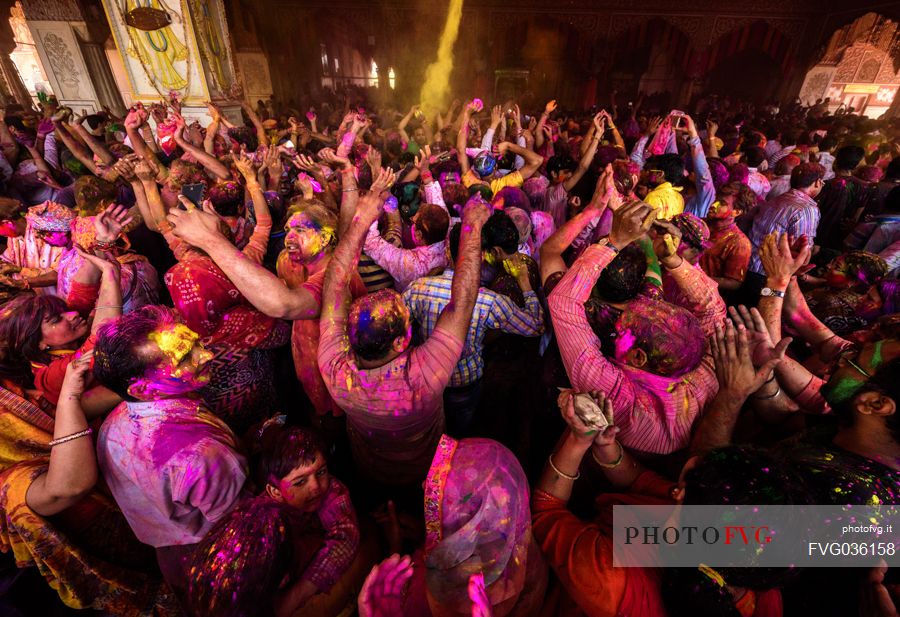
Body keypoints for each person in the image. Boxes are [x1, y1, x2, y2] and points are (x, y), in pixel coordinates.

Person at [315, 171, 487, 486]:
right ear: (399, 342)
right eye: (408, 319)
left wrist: (361, 220)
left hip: (368, 467)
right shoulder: (424, 375)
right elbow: (462, 304)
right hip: (428, 471)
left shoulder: (334, 369)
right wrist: (473, 229)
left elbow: (334, 286)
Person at [93, 306, 248, 599]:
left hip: (169, 555)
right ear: (143, 389)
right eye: (186, 357)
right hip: (215, 557)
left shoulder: (111, 426)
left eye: (197, 344)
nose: (207, 355)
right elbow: (240, 525)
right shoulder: (203, 455)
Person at [548, 200, 726, 454]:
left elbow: (563, 302)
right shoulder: (708, 371)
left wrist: (614, 241)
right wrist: (671, 259)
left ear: (639, 356)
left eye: (623, 329)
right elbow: (712, 307)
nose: (616, 324)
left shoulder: (620, 398)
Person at [403, 223, 543, 437]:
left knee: (430, 434)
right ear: (483, 255)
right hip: (464, 384)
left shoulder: (418, 288)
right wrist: (524, 282)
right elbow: (536, 326)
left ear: (448, 251)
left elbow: (397, 334)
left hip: (426, 382)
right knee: (459, 433)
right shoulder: (489, 301)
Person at [745, 162, 825, 303]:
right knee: (759, 313)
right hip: (768, 275)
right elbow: (803, 254)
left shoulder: (775, 200)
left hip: (748, 265)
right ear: (817, 182)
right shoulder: (806, 209)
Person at [1, 201, 75, 295]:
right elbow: (9, 259)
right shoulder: (13, 239)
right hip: (44, 297)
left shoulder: (46, 230)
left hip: (65, 293)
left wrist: (20, 272)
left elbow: (59, 273)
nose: (1, 235)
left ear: (7, 222)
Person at [701, 183, 752, 297]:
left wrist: (698, 278)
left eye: (722, 203)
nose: (713, 205)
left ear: (736, 212)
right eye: (716, 200)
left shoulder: (739, 242)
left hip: (707, 300)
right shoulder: (699, 223)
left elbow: (734, 283)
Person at [642, 153, 684, 219]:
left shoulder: (654, 197)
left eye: (650, 171)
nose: (647, 173)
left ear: (660, 174)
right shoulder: (679, 197)